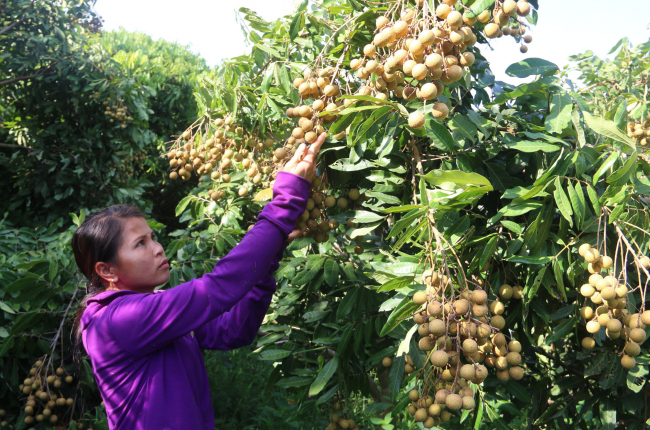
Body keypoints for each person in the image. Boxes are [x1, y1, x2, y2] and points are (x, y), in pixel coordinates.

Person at [70, 134, 326, 430]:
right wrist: (286, 200)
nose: (157, 248)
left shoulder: (152, 311)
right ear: (107, 271)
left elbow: (234, 331)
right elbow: (219, 288)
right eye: (140, 243)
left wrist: (271, 254)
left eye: (152, 237)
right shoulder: (118, 320)